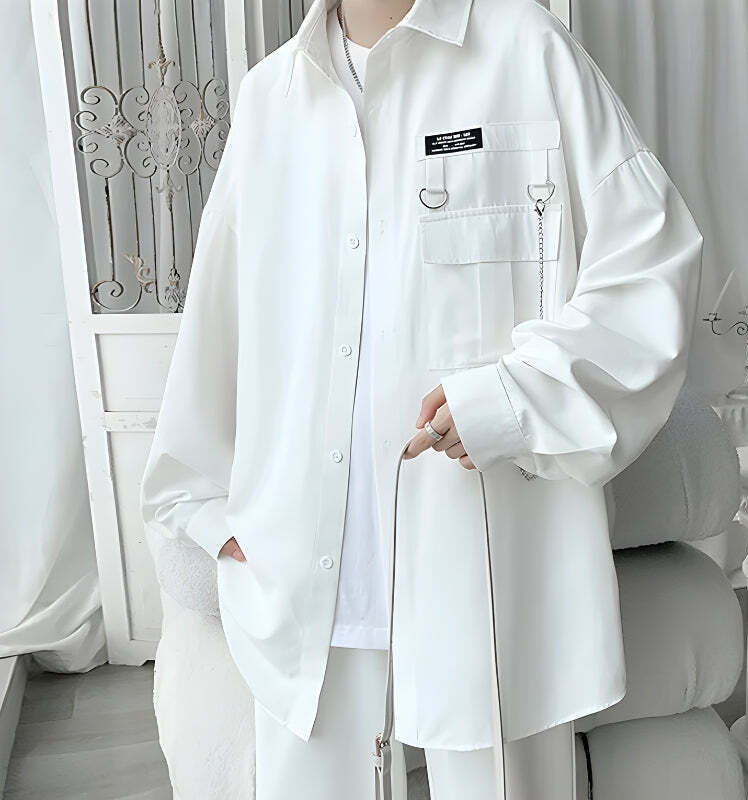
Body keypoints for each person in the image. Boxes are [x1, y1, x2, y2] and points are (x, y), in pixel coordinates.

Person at [139, 0, 703, 797]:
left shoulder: (526, 48)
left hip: (485, 561)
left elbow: (651, 265)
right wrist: (204, 503)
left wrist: (517, 400)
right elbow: (219, 315)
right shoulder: (271, 97)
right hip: (305, 567)